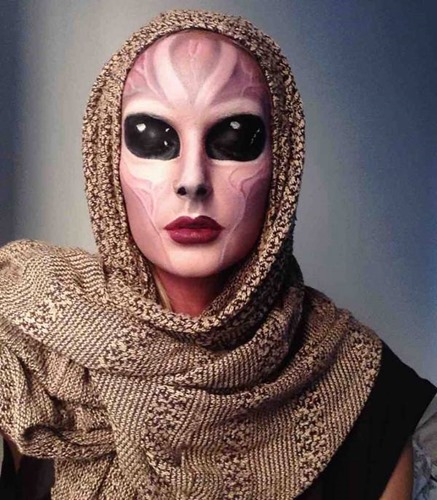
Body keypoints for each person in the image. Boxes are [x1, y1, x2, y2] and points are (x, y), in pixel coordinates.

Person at [0, 9, 435, 500]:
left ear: (282, 163)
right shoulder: (24, 345)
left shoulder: (366, 390)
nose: (192, 179)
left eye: (234, 137)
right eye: (150, 137)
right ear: (106, 159)